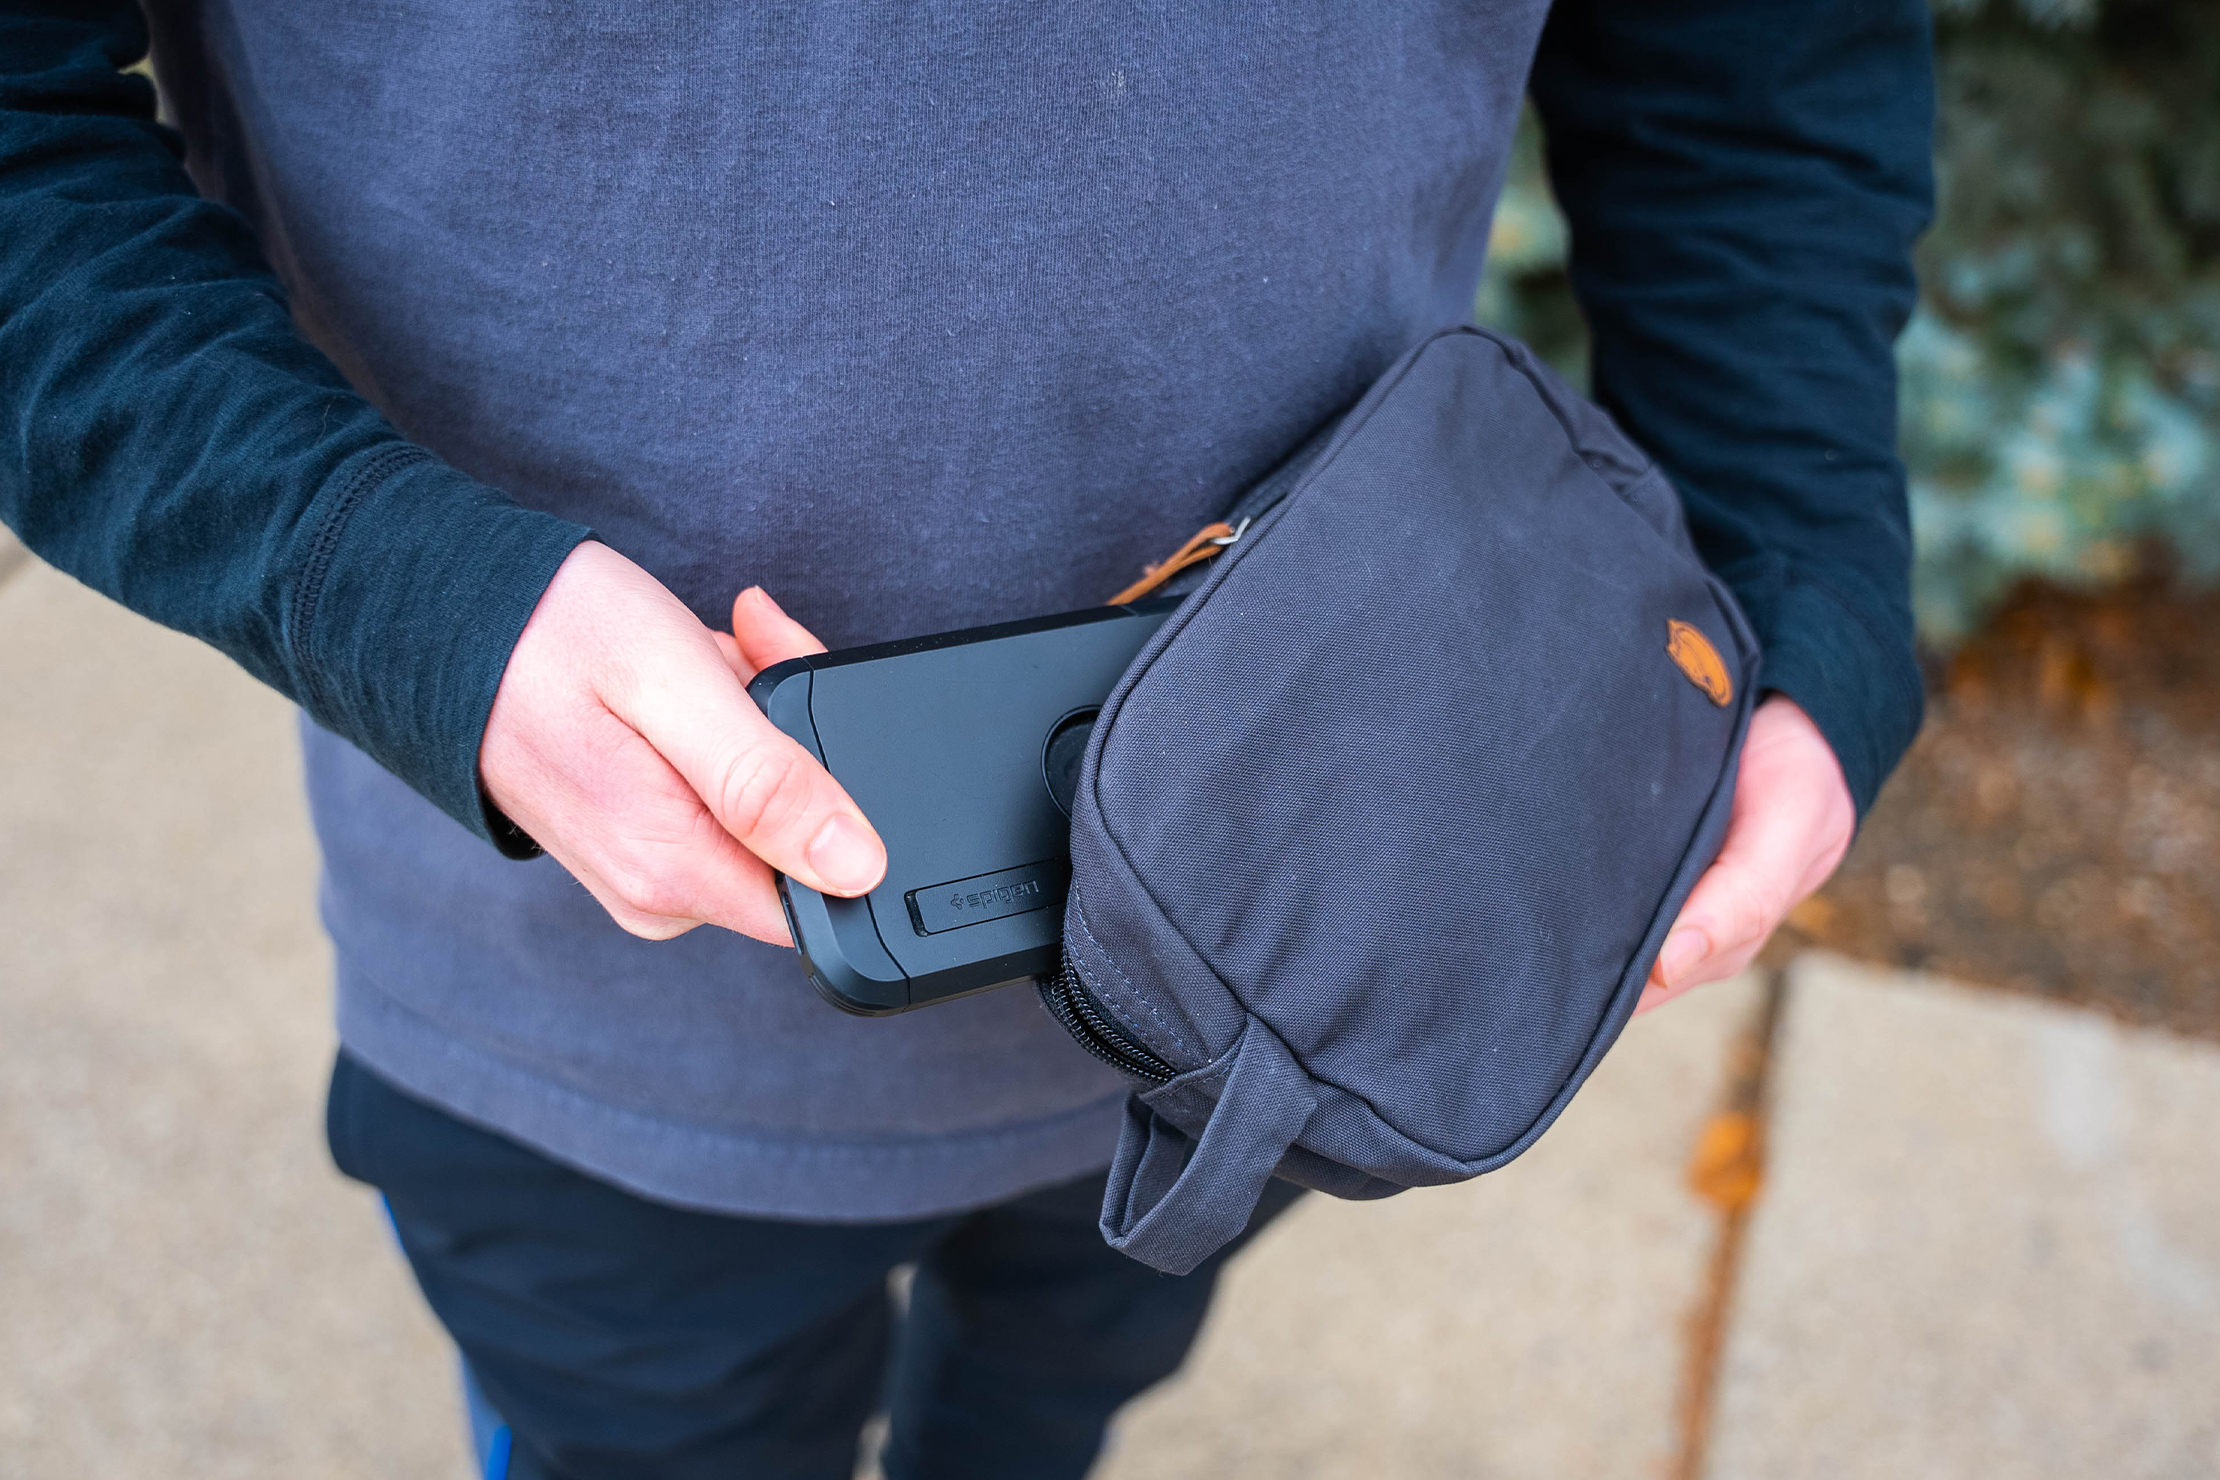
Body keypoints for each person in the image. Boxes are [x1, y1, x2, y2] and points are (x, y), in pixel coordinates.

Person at [0, 2, 1932, 1476]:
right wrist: (387, 589)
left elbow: (1754, 57)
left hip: (1313, 915)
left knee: (1054, 1401)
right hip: (587, 1006)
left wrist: (1804, 556)